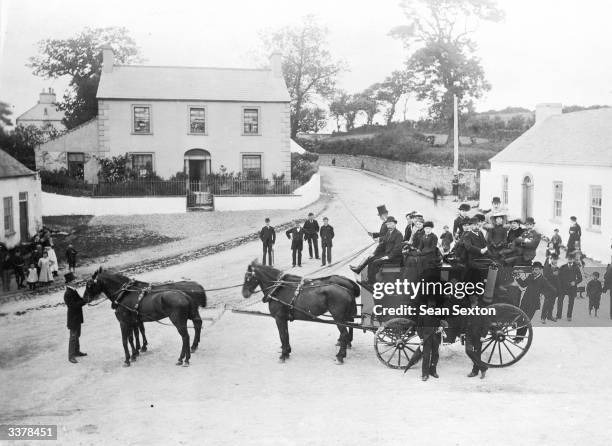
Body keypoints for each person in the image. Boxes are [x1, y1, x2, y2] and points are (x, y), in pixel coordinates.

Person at [351, 216, 403, 285]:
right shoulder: (388, 233)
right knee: (370, 258)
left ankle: (373, 282)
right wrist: (374, 253)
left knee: (375, 262)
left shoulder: (398, 234)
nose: (389, 226)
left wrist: (388, 257)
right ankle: (370, 281)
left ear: (394, 224)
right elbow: (382, 245)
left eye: (390, 224)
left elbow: (397, 249)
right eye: (387, 224)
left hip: (394, 257)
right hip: (386, 254)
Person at [516, 262, 556, 336]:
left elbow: (552, 289)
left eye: (536, 269)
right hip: (525, 301)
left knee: (526, 322)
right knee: (519, 318)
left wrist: (547, 294)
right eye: (533, 269)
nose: (534, 271)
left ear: (540, 270)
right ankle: (517, 336)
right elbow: (523, 284)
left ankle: (520, 337)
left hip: (533, 304)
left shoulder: (543, 279)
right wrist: (518, 278)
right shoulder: (530, 276)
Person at [350, 205, 389, 274]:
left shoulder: (389, 224)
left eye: (381, 215)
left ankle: (359, 270)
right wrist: (373, 234)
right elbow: (381, 234)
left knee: (370, 257)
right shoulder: (384, 223)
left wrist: (379, 239)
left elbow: (388, 236)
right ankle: (358, 268)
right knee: (368, 256)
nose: (380, 217)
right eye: (380, 216)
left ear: (385, 214)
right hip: (382, 246)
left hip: (386, 249)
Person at [64, 272, 87, 363]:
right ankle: (71, 356)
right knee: (73, 337)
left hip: (76, 317)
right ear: (69, 282)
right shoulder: (68, 293)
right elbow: (73, 305)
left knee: (77, 335)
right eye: (74, 280)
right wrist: (84, 301)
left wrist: (85, 299)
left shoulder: (73, 290)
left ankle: (76, 351)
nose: (75, 281)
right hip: (73, 318)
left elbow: (79, 300)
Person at [464, 294, 489, 379]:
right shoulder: (467, 308)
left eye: (474, 299)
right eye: (471, 299)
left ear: (477, 300)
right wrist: (462, 332)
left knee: (477, 353)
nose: (473, 301)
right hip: (469, 334)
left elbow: (486, 324)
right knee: (468, 350)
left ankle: (475, 371)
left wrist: (483, 335)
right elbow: (463, 320)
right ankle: (483, 367)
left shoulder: (482, 309)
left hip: (478, 335)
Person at [557, 255, 583, 321]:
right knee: (559, 301)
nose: (570, 259)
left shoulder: (576, 267)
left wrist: (575, 282)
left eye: (571, 258)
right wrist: (559, 286)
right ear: (567, 259)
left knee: (571, 303)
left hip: (572, 288)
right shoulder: (563, 267)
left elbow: (580, 278)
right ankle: (558, 315)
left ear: (573, 260)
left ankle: (569, 316)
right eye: (569, 258)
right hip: (563, 288)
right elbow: (558, 277)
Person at [542, 254, 560, 323]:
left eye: (556, 259)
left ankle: (549, 316)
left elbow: (558, 280)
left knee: (552, 304)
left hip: (555, 290)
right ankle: (543, 318)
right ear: (551, 259)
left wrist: (558, 290)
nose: (555, 261)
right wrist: (553, 274)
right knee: (546, 304)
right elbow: (545, 276)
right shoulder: (547, 267)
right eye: (554, 259)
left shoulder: (557, 268)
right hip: (548, 289)